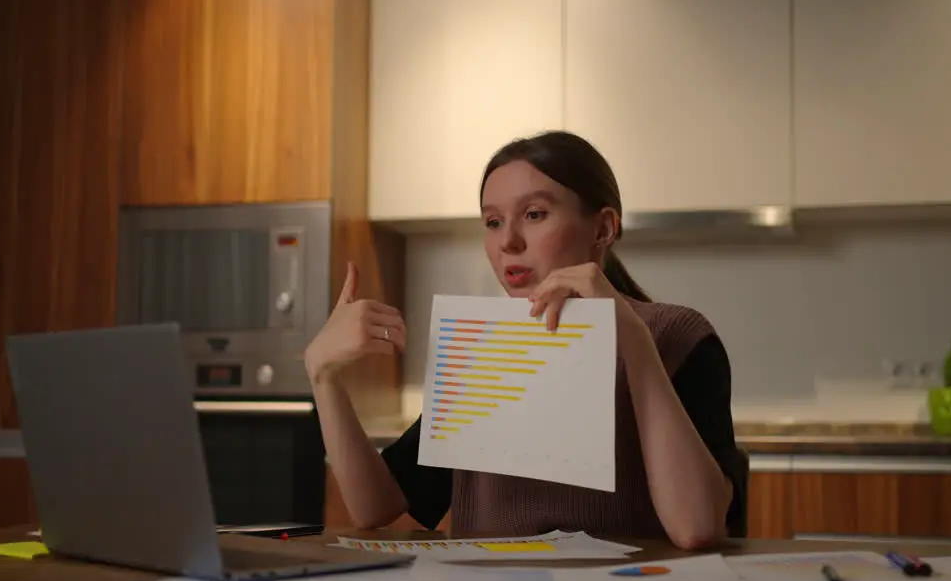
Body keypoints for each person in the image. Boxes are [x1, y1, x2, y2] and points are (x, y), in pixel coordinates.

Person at [303, 130, 749, 550]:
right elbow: (374, 507)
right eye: (493, 222)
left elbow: (697, 528)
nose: (508, 242)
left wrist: (631, 336)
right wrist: (323, 375)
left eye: (534, 215)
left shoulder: (679, 336)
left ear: (603, 229)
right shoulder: (482, 347)